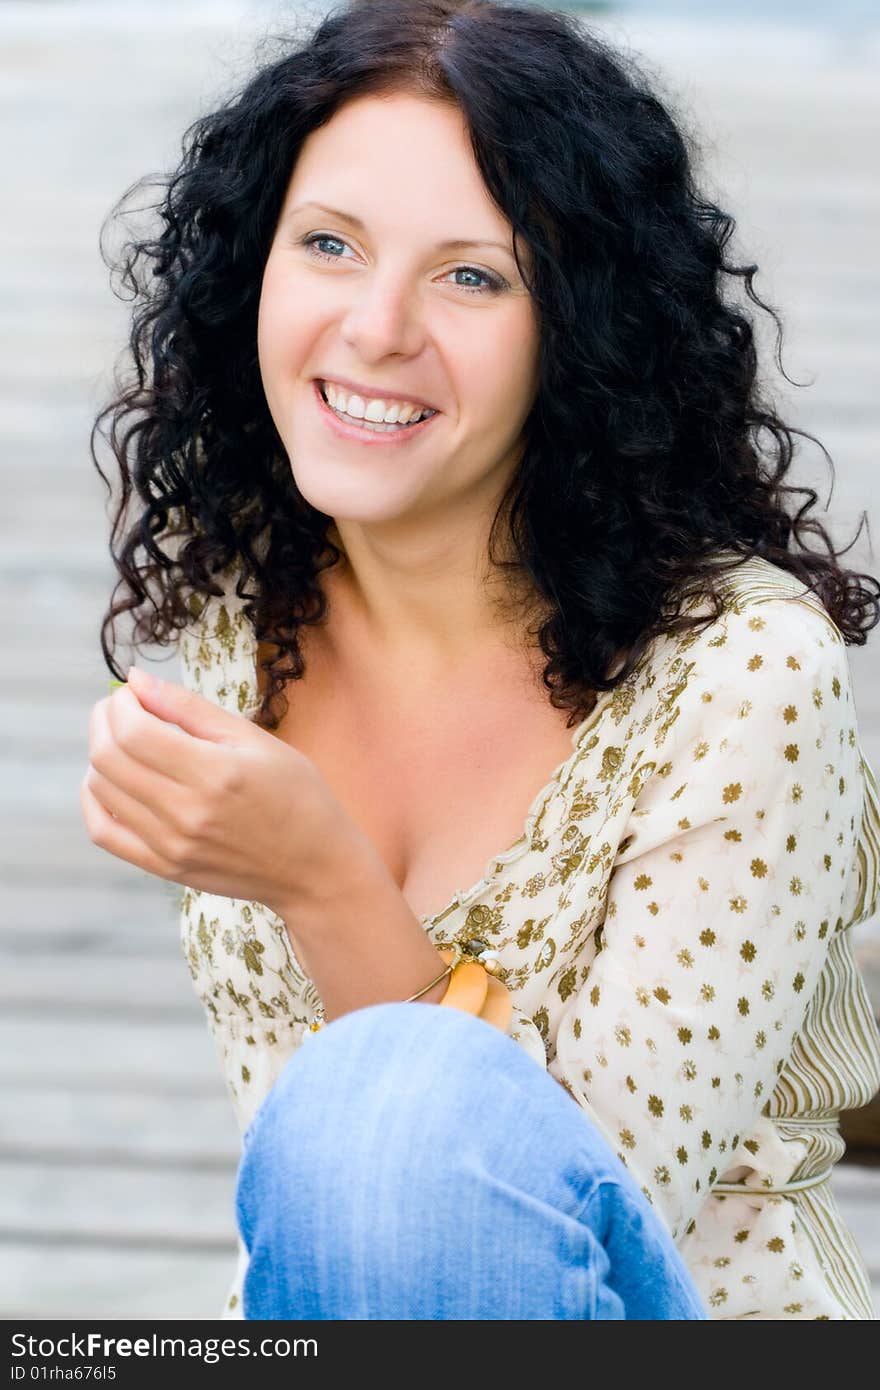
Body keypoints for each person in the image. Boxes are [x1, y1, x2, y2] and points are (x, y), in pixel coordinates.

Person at [83, 0, 880, 1320]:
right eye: (328, 244)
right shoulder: (250, 616)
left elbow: (528, 1229)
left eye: (472, 275)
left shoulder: (749, 676)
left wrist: (323, 877)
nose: (378, 326)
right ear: (252, 275)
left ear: (581, 328)